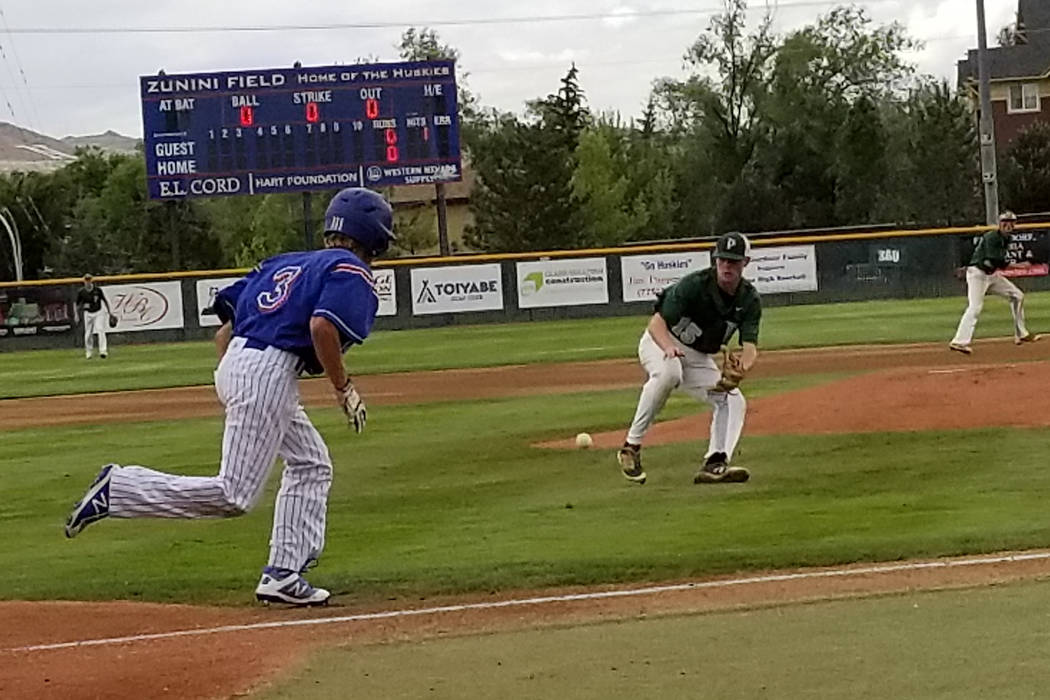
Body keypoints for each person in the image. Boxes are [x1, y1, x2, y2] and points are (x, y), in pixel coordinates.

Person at [63, 187, 396, 607]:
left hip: (240, 361)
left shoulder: (285, 262)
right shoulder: (351, 269)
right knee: (234, 495)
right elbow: (321, 329)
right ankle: (121, 489)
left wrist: (240, 382)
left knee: (312, 464)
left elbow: (224, 332)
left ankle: (282, 574)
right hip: (268, 373)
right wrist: (343, 388)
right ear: (375, 238)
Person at [617, 232, 762, 485]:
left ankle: (715, 463)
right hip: (660, 341)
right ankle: (631, 447)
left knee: (732, 399)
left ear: (745, 263)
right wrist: (668, 348)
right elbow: (656, 323)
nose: (727, 266)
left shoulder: (749, 299)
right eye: (723, 260)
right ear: (715, 260)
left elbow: (750, 346)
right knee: (670, 372)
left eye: (734, 261)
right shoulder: (694, 285)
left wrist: (743, 367)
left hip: (696, 355)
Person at [949, 210, 1039, 355]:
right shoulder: (992, 237)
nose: (1008, 226)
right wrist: (1019, 265)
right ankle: (959, 341)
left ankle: (1021, 334)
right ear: (1000, 224)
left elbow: (995, 264)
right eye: (1005, 223)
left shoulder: (1007, 239)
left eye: (1011, 223)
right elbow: (993, 260)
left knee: (1018, 296)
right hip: (978, 274)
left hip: (991, 275)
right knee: (975, 307)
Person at [75, 274, 113, 359]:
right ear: (84, 281)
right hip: (88, 314)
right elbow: (77, 305)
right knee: (88, 334)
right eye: (86, 280)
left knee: (100, 330)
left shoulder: (97, 290)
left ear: (91, 280)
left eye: (89, 280)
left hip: (98, 312)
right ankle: (89, 352)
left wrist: (110, 312)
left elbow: (105, 300)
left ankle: (103, 351)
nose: (88, 281)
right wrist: (76, 315)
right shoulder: (81, 292)